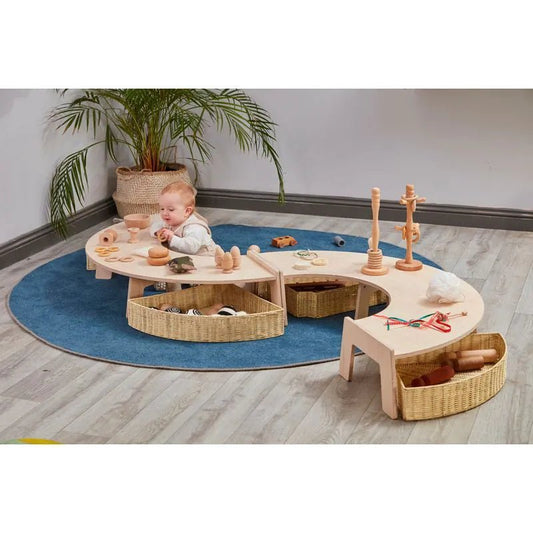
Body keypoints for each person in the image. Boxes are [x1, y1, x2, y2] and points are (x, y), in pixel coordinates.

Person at [149, 181, 217, 256]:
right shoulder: (170, 221)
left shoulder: (195, 228)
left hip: (204, 257)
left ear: (187, 211)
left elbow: (191, 248)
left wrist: (172, 238)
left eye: (171, 209)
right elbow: (154, 225)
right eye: (162, 209)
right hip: (184, 256)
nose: (164, 213)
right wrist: (157, 231)